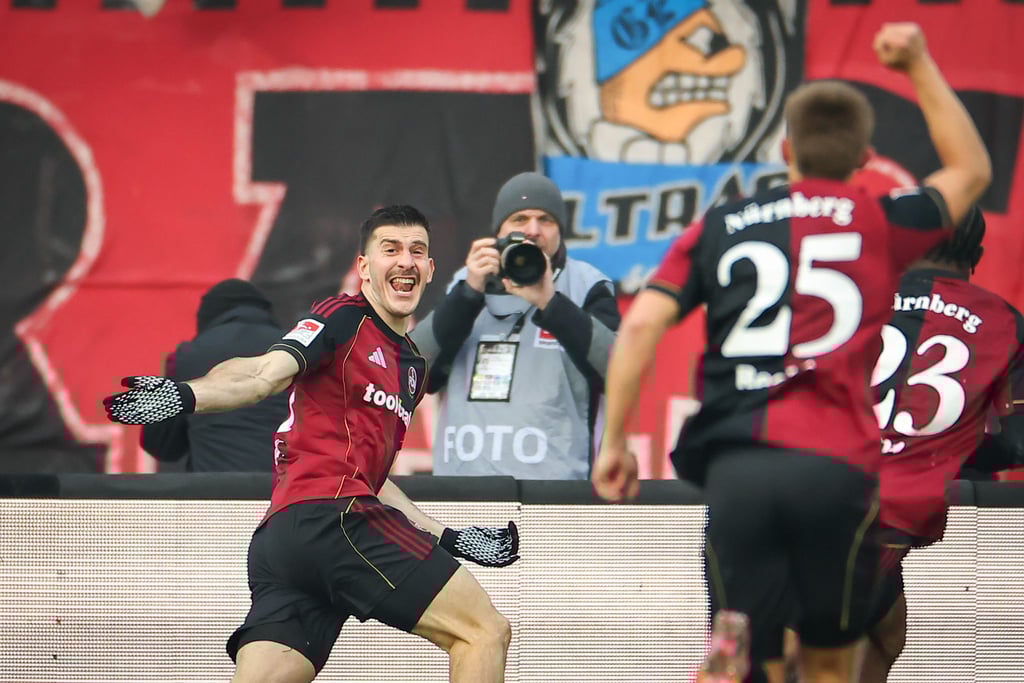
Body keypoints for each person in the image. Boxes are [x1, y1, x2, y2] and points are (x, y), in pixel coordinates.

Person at [591, 22, 992, 683]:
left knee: (746, 653)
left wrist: (614, 442)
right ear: (864, 156)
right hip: (837, 475)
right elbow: (972, 170)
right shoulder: (879, 222)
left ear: (784, 150)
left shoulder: (720, 226)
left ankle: (732, 649)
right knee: (831, 661)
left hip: (741, 472)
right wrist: (918, 62)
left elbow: (639, 331)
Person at [104, 205, 519, 683]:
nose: (405, 261)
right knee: (484, 632)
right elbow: (262, 373)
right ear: (364, 267)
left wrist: (447, 537)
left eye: (416, 251)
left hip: (287, 542)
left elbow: (371, 481)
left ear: (429, 269)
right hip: (334, 520)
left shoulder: (412, 368)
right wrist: (187, 394)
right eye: (390, 249)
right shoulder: (343, 317)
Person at [859, 206, 1024, 683]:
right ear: (977, 256)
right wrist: (951, 447)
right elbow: (1017, 443)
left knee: (884, 634)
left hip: (783, 490)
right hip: (880, 517)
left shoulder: (850, 300)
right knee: (801, 655)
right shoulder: (1004, 321)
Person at [411, 171, 620, 480]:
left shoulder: (587, 284)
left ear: (561, 232)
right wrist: (468, 295)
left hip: (554, 490)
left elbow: (620, 370)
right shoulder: (467, 282)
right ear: (499, 232)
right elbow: (411, 373)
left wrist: (551, 302)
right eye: (519, 219)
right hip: (464, 487)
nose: (532, 230)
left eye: (545, 220)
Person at [142, 278, 289, 472]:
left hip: (216, 487)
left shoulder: (186, 357)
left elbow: (160, 444)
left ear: (206, 318)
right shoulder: (298, 353)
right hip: (289, 485)